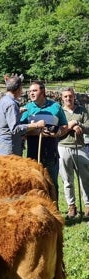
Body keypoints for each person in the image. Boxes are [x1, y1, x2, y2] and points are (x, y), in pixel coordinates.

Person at [20, 81, 68, 201]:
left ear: (43, 92)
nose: (31, 93)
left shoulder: (55, 107)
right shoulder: (27, 108)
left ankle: (54, 212)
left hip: (51, 152)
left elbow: (64, 126)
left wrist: (57, 133)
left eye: (34, 91)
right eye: (30, 91)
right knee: (35, 184)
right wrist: (35, 131)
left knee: (52, 184)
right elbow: (21, 129)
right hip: (33, 154)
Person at [0, 74, 46, 156]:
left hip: (1, 147)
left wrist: (17, 114)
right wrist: (36, 125)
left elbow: (4, 123)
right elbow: (15, 129)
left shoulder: (1, 102)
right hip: (10, 150)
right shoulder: (11, 104)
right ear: (18, 88)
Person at [58, 87, 89, 218]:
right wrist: (71, 125)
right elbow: (57, 128)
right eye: (65, 97)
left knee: (85, 178)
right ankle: (71, 206)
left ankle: (87, 205)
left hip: (80, 146)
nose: (68, 99)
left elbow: (88, 127)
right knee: (67, 179)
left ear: (74, 96)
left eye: (70, 96)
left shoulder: (82, 110)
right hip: (63, 146)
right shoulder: (59, 111)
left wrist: (79, 124)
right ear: (62, 98)